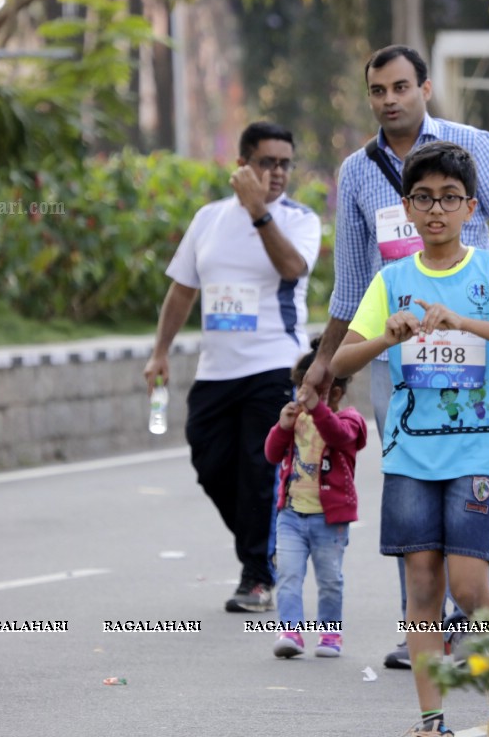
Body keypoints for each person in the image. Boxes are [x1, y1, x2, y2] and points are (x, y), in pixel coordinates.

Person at [302, 44, 489, 669]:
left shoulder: (471, 146)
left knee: (464, 484)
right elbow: (350, 281)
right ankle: (420, 629)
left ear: (424, 87)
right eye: (377, 90)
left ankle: (474, 618)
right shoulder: (358, 171)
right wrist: (325, 360)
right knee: (412, 486)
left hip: (475, 355)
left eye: (400, 87)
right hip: (400, 356)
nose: (390, 99)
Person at [330, 142, 489, 737]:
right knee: (422, 581)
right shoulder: (392, 279)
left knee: (469, 585)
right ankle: (432, 722)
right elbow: (340, 360)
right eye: (424, 198)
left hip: (476, 451)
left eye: (449, 199)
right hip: (409, 454)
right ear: (406, 206)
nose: (436, 210)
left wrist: (462, 321)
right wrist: (385, 337)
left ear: (470, 207)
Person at [144, 122, 322, 612]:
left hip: (273, 365)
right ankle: (261, 547)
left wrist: (260, 212)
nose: (278, 172)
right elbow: (182, 289)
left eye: (286, 163)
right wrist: (160, 351)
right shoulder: (208, 219)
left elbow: (292, 268)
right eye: (267, 162)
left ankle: (257, 576)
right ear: (243, 164)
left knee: (258, 471)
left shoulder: (299, 219)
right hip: (216, 371)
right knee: (210, 464)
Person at [264, 340, 365, 659]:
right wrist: (282, 427)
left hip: (329, 520)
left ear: (334, 393)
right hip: (291, 515)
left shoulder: (350, 420)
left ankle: (330, 634)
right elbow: (271, 454)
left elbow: (340, 436)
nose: (303, 399)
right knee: (289, 575)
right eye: (300, 391)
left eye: (311, 392)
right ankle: (291, 632)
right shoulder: (296, 421)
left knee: (330, 579)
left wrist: (317, 409)